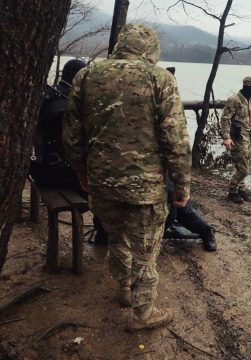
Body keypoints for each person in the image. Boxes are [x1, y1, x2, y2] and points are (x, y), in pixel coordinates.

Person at [63, 24, 191, 332]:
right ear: (150, 48)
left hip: (101, 183)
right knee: (145, 252)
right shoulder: (160, 78)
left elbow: (71, 135)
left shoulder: (86, 76)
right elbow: (176, 139)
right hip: (145, 189)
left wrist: (83, 173)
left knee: (116, 239)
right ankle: (143, 314)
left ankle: (124, 288)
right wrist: (182, 185)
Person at [29, 59, 108, 244]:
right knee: (105, 189)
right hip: (53, 175)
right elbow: (76, 146)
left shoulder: (47, 94)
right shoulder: (67, 106)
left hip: (36, 168)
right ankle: (104, 237)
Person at [163, 179, 217, 252]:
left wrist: (183, 192)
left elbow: (181, 170)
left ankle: (207, 233)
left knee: (183, 213)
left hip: (165, 181)